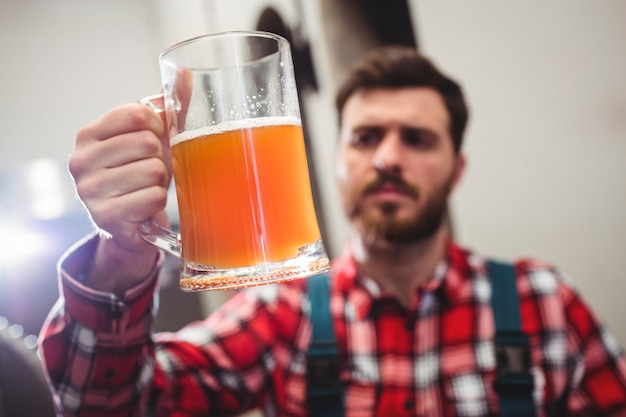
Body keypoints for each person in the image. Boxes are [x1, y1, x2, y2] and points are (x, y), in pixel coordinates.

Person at [39, 45, 626, 416]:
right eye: (366, 137)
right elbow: (106, 402)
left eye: (417, 139)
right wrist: (123, 252)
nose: (388, 158)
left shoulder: (542, 304)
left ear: (457, 169)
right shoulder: (280, 315)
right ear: (337, 158)